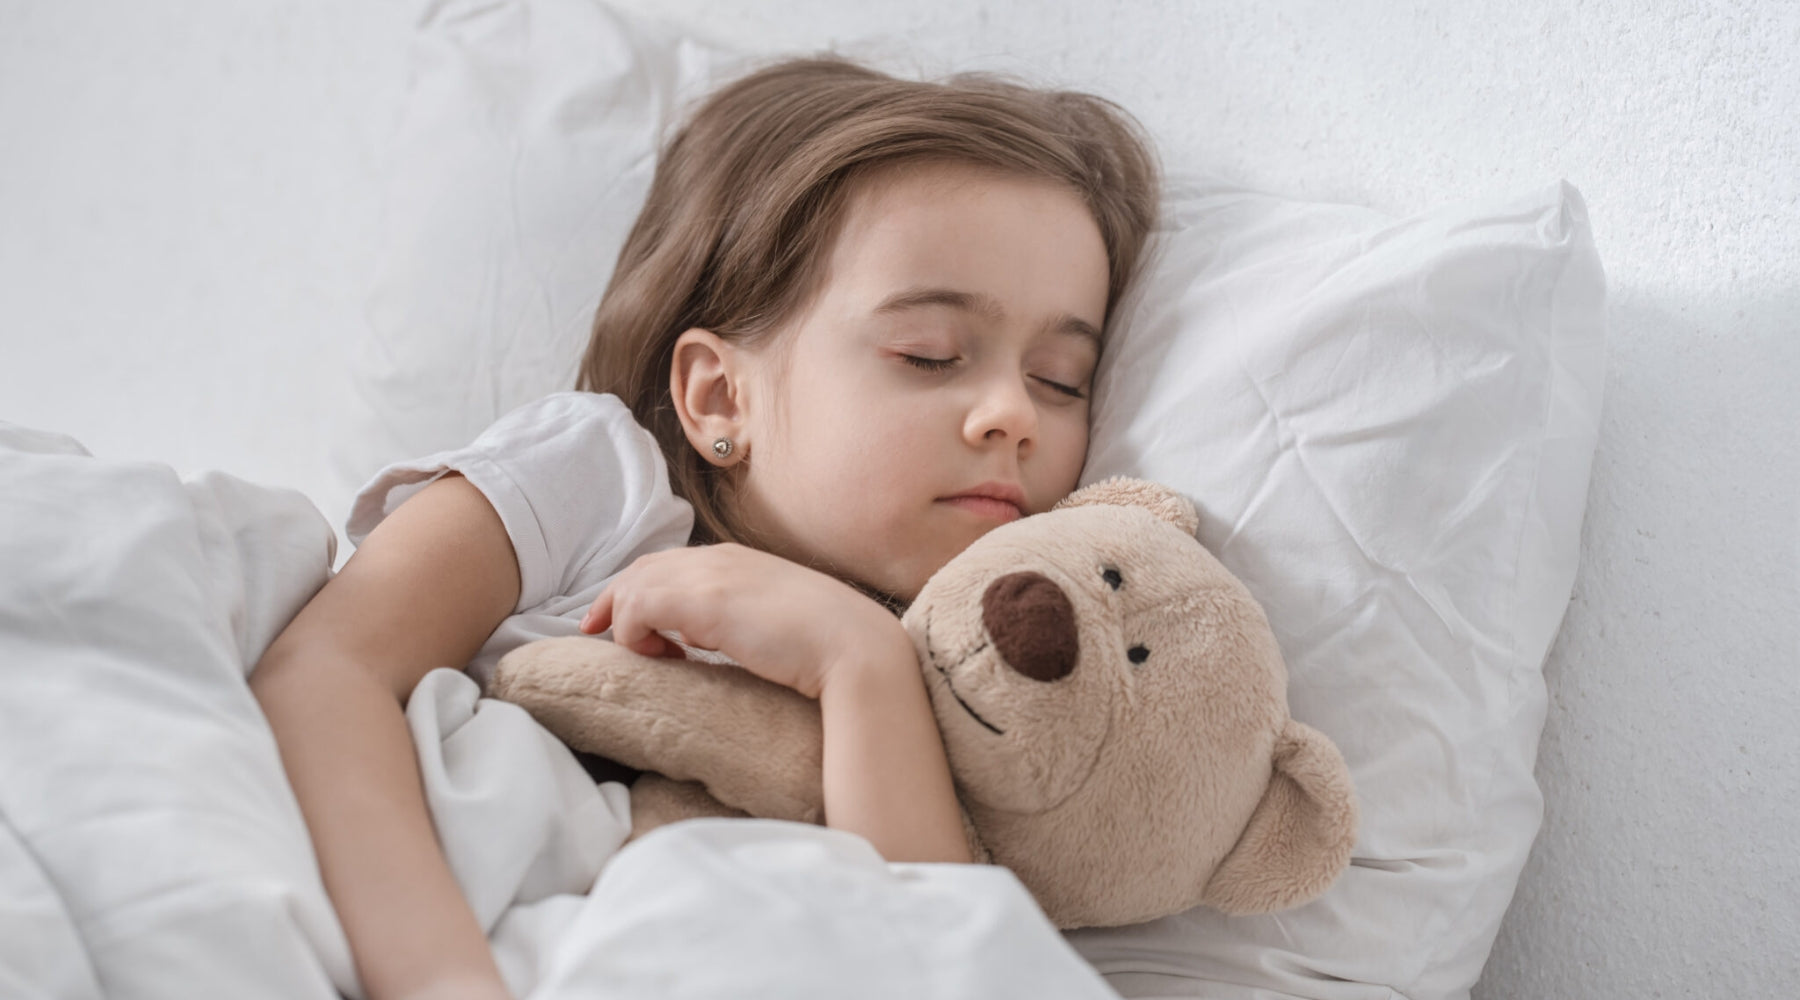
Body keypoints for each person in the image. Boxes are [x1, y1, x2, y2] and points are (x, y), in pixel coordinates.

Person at [251, 57, 1158, 1000]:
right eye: (929, 355)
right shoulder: (599, 480)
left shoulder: (968, 669)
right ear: (720, 394)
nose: (1012, 412)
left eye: (1060, 379)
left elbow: (931, 953)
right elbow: (325, 672)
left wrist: (861, 664)